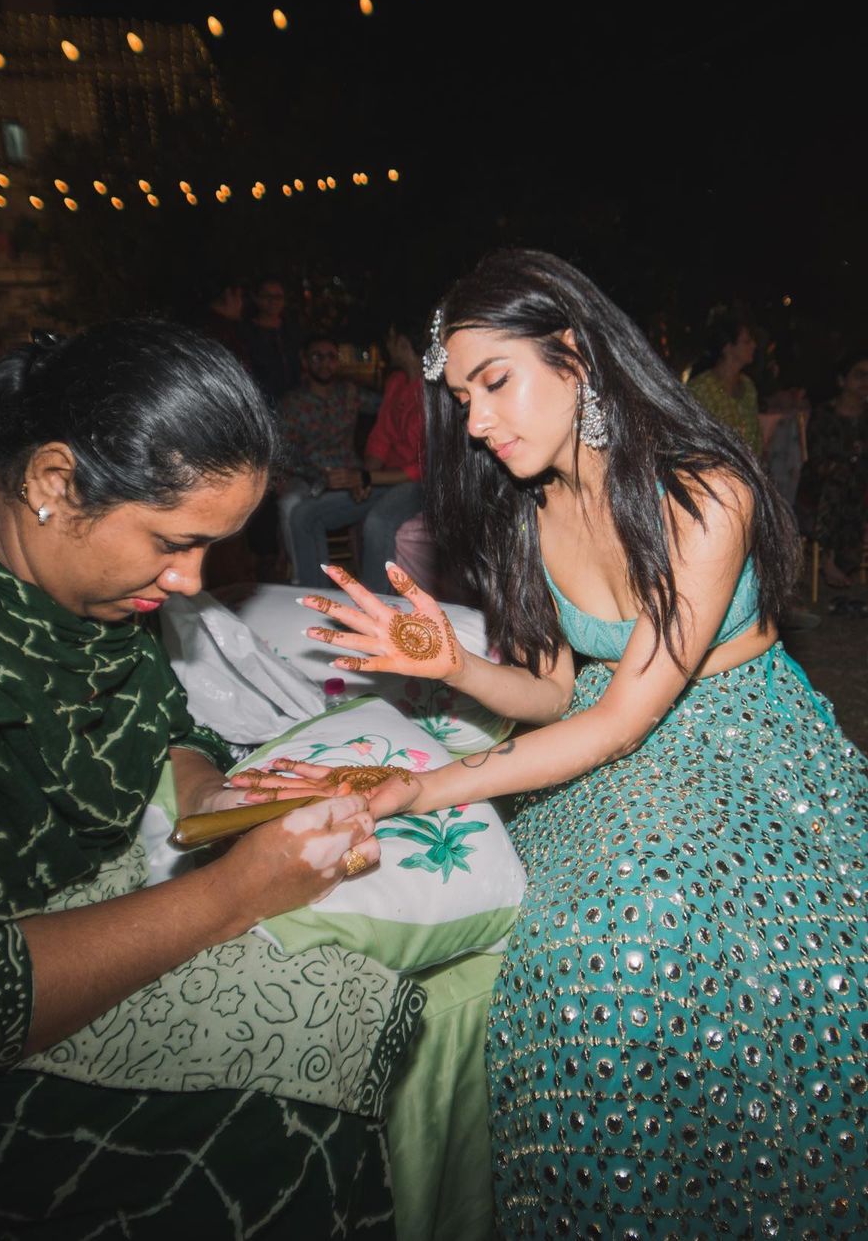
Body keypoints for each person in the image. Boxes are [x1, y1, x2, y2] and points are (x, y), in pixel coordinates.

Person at [236, 252, 868, 1237]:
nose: (478, 422)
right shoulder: (532, 511)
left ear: (574, 356)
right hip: (605, 749)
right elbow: (560, 693)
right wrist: (452, 662)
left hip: (744, 747)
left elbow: (620, 718)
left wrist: (411, 791)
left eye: (496, 382)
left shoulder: (706, 493)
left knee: (641, 930)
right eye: (463, 398)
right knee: (542, 941)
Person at [0, 320, 423, 1239]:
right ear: (55, 482)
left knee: (352, 1003)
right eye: (174, 541)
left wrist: (208, 793)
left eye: (212, 545)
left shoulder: (62, 568)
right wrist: (233, 896)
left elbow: (162, 717)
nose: (189, 579)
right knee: (263, 1149)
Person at [288, 323, 425, 593]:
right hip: (386, 477)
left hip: (419, 483)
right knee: (304, 515)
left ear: (403, 344)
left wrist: (368, 476)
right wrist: (365, 477)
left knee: (378, 523)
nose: (388, 346)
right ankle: (315, 597)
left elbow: (424, 467)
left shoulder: (433, 391)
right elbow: (381, 438)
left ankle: (373, 610)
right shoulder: (397, 382)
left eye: (391, 340)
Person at [275, 334, 379, 583]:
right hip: (308, 475)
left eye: (331, 357)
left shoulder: (350, 393)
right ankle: (304, 580)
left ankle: (369, 581)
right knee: (288, 504)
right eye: (317, 357)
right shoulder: (292, 403)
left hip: (350, 473)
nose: (325, 363)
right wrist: (320, 477)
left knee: (381, 502)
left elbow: (389, 407)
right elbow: (283, 452)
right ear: (305, 360)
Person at [796, 351, 868, 589]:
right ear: (841, 381)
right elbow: (816, 459)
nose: (865, 382)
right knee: (839, 481)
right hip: (825, 483)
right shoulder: (825, 415)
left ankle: (848, 562)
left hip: (859, 483)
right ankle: (829, 560)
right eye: (859, 375)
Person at [687, 305, 764, 456]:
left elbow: (756, 439)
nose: (754, 346)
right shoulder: (702, 389)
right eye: (746, 341)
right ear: (727, 347)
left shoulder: (748, 387)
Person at [241, 276, 302, 403]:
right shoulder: (246, 332)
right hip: (262, 399)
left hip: (295, 399)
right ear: (256, 298)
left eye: (278, 297)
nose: (273, 301)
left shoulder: (292, 329)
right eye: (267, 296)